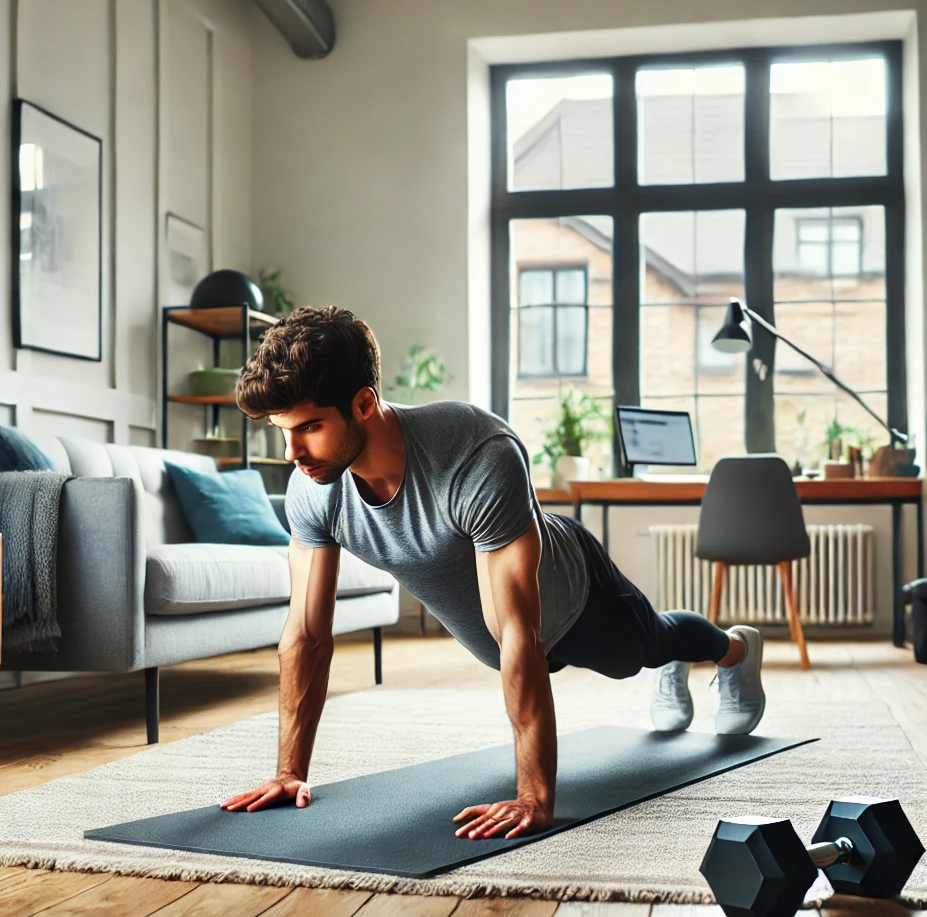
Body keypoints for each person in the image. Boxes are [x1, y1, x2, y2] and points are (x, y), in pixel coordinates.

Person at [220, 307, 765, 841]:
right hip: (507, 636)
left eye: (309, 428)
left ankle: (734, 651)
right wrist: (290, 771)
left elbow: (518, 630)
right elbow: (308, 636)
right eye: (280, 430)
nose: (292, 452)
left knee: (647, 647)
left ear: (364, 404)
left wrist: (534, 796)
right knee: (599, 651)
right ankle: (675, 660)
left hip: (572, 599)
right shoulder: (315, 489)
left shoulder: (475, 452)